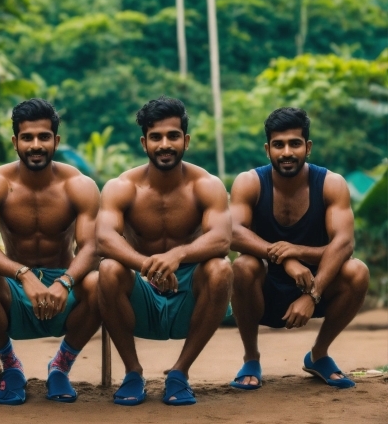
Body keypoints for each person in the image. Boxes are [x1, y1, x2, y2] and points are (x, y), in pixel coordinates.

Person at [96, 97, 232, 406]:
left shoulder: (206, 185)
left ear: (186, 140)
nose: (165, 144)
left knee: (221, 268)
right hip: (142, 290)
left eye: (173, 136)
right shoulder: (122, 186)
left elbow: (222, 240)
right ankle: (132, 373)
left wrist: (178, 255)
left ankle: (179, 374)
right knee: (108, 269)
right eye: (156, 137)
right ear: (144, 142)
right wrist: (151, 265)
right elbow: (104, 239)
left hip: (190, 292)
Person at [0, 99, 100, 405]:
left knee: (100, 281)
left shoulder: (79, 185)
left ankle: (60, 367)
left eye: (44, 137)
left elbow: (93, 247)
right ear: (15, 141)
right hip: (14, 285)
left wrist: (65, 282)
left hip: (63, 286)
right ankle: (10, 365)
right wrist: (22, 274)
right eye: (27, 138)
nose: (36, 145)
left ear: (56, 140)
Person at [229, 107, 369, 390]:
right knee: (243, 266)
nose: (287, 152)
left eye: (294, 143)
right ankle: (251, 358)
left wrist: (312, 292)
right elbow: (231, 234)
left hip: (316, 282)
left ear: (308, 147)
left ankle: (319, 354)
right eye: (278, 145)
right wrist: (285, 259)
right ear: (268, 149)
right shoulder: (250, 182)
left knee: (357, 271)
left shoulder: (331, 184)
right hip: (264, 290)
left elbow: (343, 245)